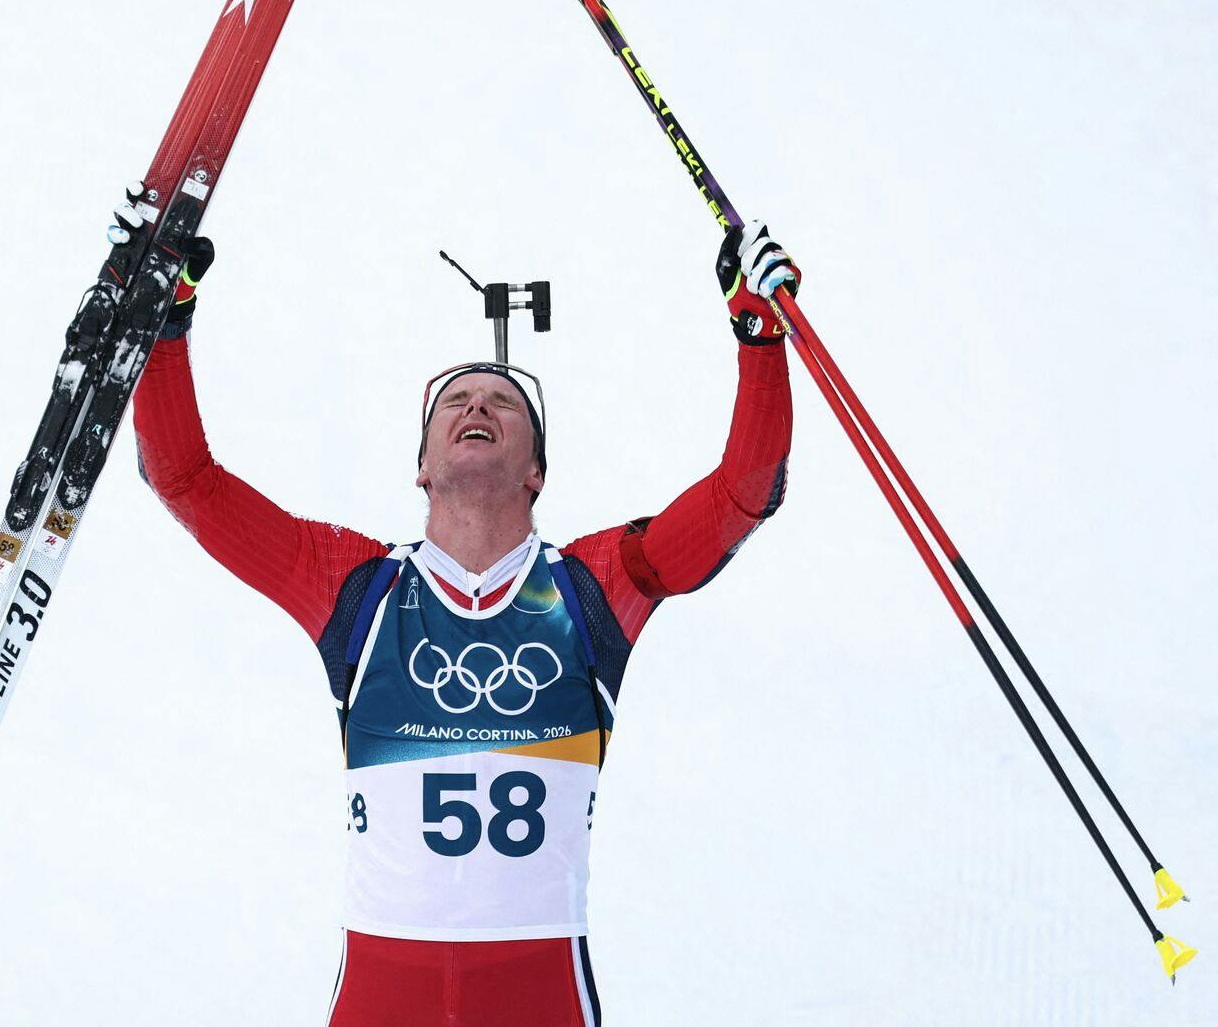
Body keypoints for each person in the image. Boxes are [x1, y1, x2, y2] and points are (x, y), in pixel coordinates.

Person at [124, 189, 798, 1027]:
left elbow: (743, 494)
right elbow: (185, 481)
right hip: (383, 988)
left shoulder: (594, 588)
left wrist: (760, 336)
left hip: (540, 988)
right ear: (421, 468)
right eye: (456, 401)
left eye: (503, 402)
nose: (477, 405)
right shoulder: (354, 588)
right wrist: (165, 324)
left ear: (535, 473)